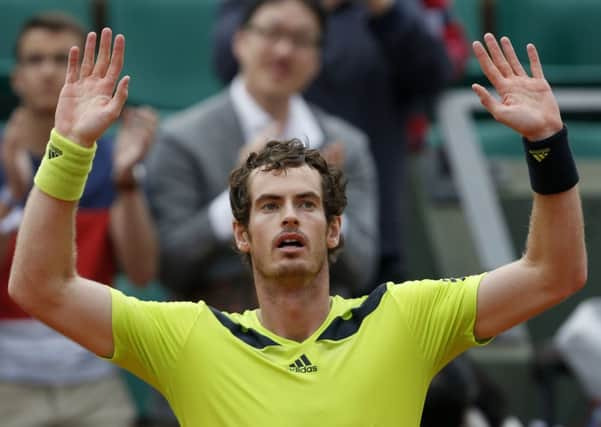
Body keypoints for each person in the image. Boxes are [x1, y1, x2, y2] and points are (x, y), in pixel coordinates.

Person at [8, 27, 586, 426]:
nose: (289, 213)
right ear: (241, 236)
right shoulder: (185, 338)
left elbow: (552, 273)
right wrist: (71, 146)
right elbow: (40, 287)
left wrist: (546, 143)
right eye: (268, 205)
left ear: (335, 230)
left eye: (307, 204)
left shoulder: (407, 319)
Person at [146, 0, 378, 310]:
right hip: (216, 328)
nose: (284, 51)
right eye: (272, 32)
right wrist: (237, 196)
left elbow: (362, 267)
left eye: (300, 39)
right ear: (240, 41)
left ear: (317, 58)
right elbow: (170, 266)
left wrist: (327, 203)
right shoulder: (181, 139)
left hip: (321, 332)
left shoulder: (346, 143)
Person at [212, 0, 453, 286]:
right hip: (249, 254)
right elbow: (227, 59)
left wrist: (385, 10)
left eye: (302, 39)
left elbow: (434, 74)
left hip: (369, 223)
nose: (284, 50)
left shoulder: (387, 12)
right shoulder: (259, 12)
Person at [0, 14, 158, 427]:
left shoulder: (113, 162)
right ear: (16, 77)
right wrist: (14, 202)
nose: (50, 71)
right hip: (7, 384)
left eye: (63, 59)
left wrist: (126, 182)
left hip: (94, 381)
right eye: (35, 60)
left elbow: (141, 272)